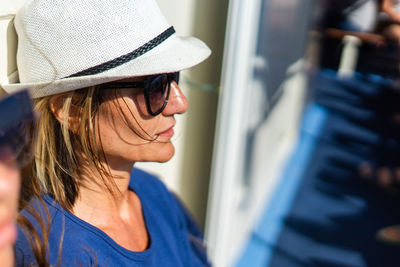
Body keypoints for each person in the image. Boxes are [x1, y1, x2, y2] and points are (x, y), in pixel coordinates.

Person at [0, 0, 211, 266]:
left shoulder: (154, 193)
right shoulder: (41, 250)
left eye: (173, 77)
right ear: (72, 111)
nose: (180, 103)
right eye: (155, 86)